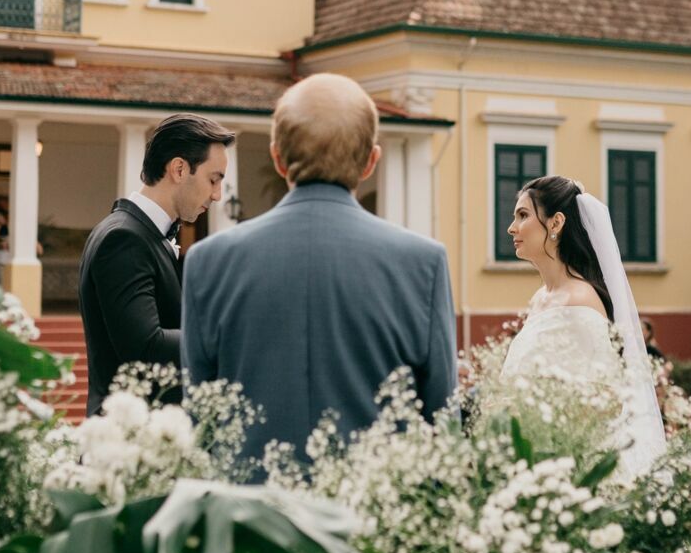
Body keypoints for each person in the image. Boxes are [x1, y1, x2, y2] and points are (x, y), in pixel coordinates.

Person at [182, 75, 456, 465]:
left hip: (249, 517)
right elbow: (442, 423)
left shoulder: (208, 261)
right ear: (370, 161)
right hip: (377, 517)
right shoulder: (423, 263)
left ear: (277, 158)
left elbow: (200, 422)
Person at [491, 173, 667, 477]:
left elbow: (606, 399)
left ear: (556, 223)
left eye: (523, 215)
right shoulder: (540, 299)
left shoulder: (580, 301)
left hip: (566, 467)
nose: (512, 228)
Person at [79, 114, 235, 416]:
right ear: (178, 169)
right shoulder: (124, 238)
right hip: (126, 443)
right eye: (213, 179)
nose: (217, 195)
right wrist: (226, 334)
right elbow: (145, 346)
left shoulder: (138, 233)